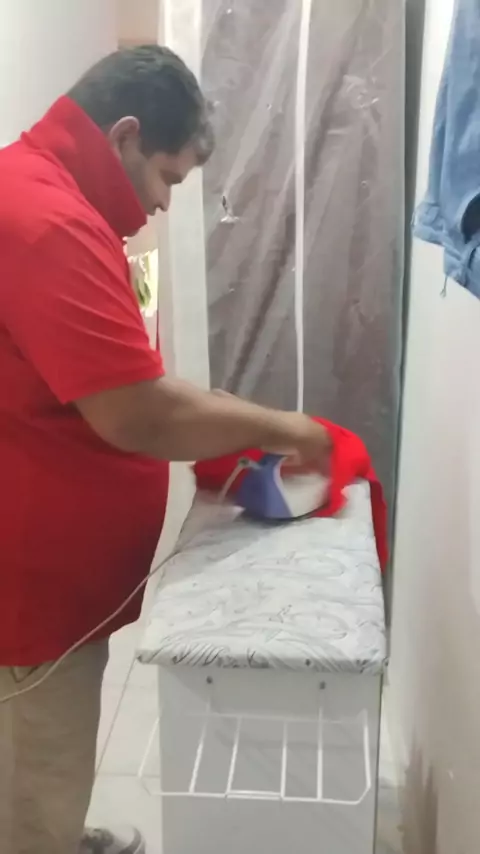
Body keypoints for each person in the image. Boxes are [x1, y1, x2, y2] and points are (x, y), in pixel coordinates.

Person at [0, 46, 331, 854]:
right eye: (167, 178)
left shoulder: (33, 189)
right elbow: (139, 415)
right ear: (123, 136)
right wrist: (283, 428)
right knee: (39, 759)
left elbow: (115, 378)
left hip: (44, 575)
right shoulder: (46, 222)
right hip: (29, 594)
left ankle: (50, 829)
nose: (161, 205)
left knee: (35, 759)